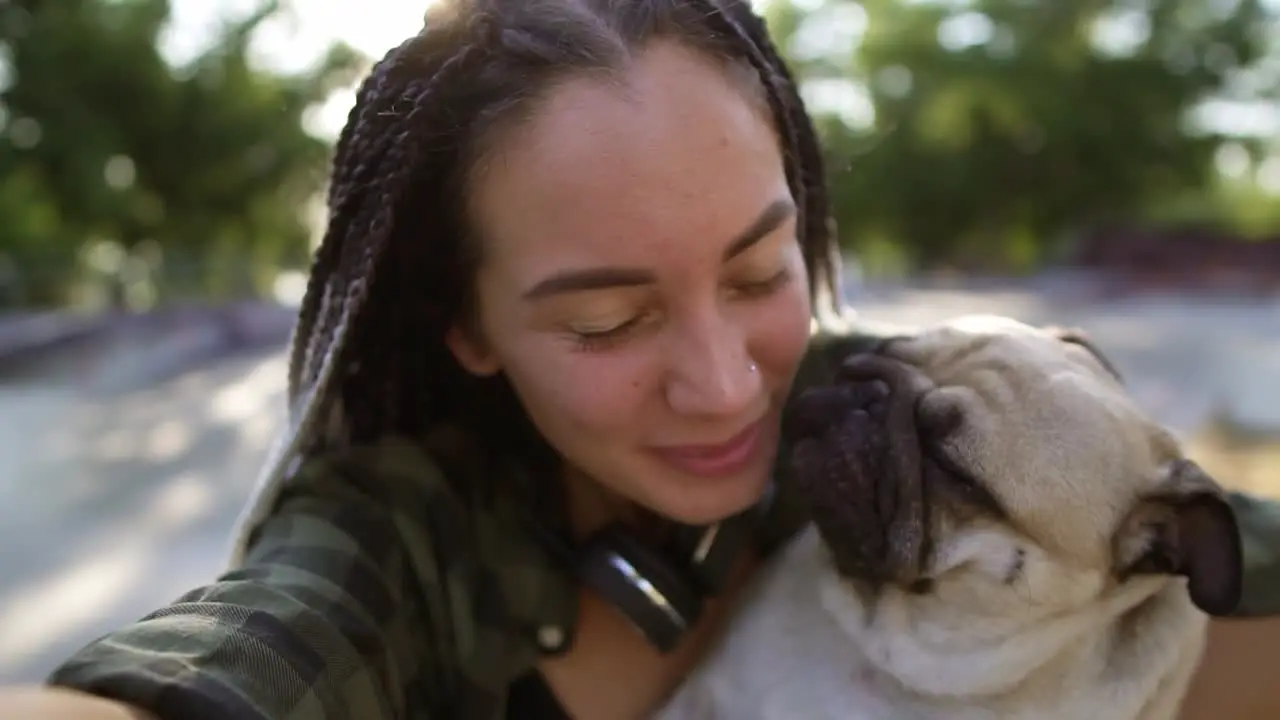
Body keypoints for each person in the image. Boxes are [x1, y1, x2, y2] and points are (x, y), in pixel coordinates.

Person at [5, 0, 1280, 717]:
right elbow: (239, 658)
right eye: (608, 321)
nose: (729, 385)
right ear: (469, 327)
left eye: (757, 273)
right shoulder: (404, 539)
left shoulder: (875, 399)